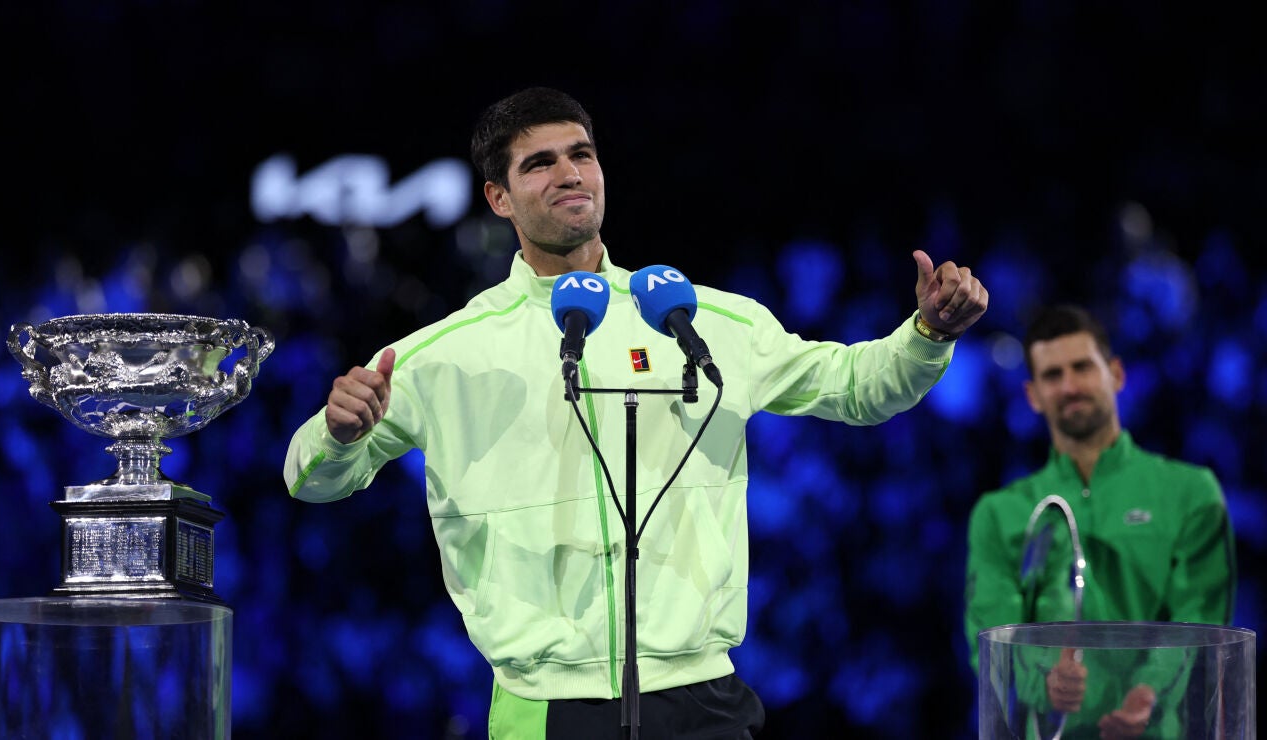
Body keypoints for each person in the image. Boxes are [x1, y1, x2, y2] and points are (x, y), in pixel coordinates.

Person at [284, 86, 989, 739]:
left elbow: (855, 387)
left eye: (581, 154)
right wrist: (338, 432)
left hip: (701, 695)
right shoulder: (444, 354)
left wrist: (927, 336)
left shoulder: (699, 318)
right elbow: (310, 477)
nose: (569, 174)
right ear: (499, 198)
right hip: (544, 704)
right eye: (539, 164)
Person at [964, 304, 1236, 739]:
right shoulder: (999, 514)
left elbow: (1199, 616)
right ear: (1032, 395)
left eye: (1082, 368)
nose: (1069, 386)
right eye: (1053, 375)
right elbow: (993, 642)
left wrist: (1148, 694)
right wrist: (1045, 682)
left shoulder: (1191, 493)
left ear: (1116, 374)